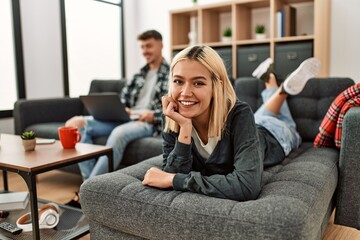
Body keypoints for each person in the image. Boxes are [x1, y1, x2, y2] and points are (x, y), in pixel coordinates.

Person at [142, 45, 320, 201]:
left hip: (276, 134)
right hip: (252, 124)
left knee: (287, 124)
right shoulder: (173, 116)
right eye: (178, 81)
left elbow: (246, 187)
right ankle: (272, 82)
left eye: (198, 83)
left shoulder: (240, 113)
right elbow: (170, 170)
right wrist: (185, 130)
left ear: (216, 86)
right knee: (260, 115)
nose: (185, 93)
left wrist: (176, 181)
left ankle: (282, 89)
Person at [66, 30, 169, 182]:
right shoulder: (138, 75)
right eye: (142, 47)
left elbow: (173, 107)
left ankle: (88, 188)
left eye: (149, 46)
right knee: (77, 123)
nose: (145, 51)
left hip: (147, 122)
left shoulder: (172, 74)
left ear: (161, 45)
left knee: (118, 133)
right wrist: (122, 109)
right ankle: (90, 186)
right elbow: (122, 100)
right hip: (126, 117)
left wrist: (152, 115)